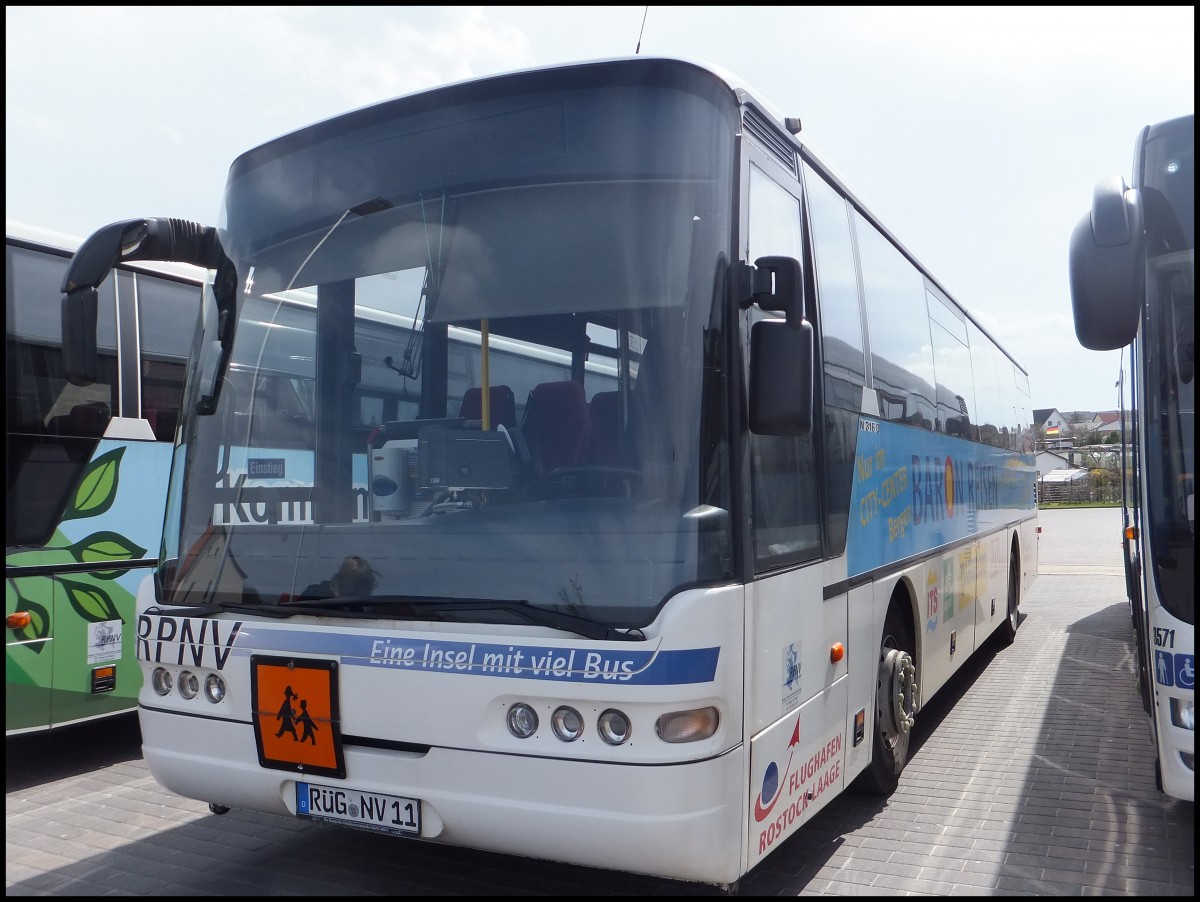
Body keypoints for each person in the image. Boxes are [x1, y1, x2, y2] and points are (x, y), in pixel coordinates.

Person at [298, 555, 380, 600]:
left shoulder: (357, 611)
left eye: (366, 586)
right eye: (356, 584)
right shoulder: (311, 598)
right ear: (339, 583)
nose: (361, 591)